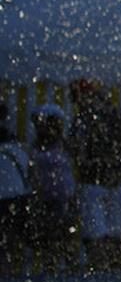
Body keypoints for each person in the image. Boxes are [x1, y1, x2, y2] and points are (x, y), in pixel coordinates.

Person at [67, 80, 121, 269]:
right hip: (116, 181)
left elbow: (75, 148)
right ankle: (113, 269)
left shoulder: (84, 118)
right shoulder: (119, 115)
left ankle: (101, 268)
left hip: (93, 181)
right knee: (113, 231)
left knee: (95, 233)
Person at [27, 104, 79, 269]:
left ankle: (69, 267)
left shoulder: (63, 144)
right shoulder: (37, 145)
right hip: (47, 197)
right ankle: (52, 267)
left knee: (65, 234)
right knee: (49, 235)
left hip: (63, 196)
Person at [0, 103, 32, 273]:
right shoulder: (18, 147)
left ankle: (7, 271)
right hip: (18, 197)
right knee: (12, 239)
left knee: (5, 242)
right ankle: (13, 271)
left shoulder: (12, 148)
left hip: (6, 198)